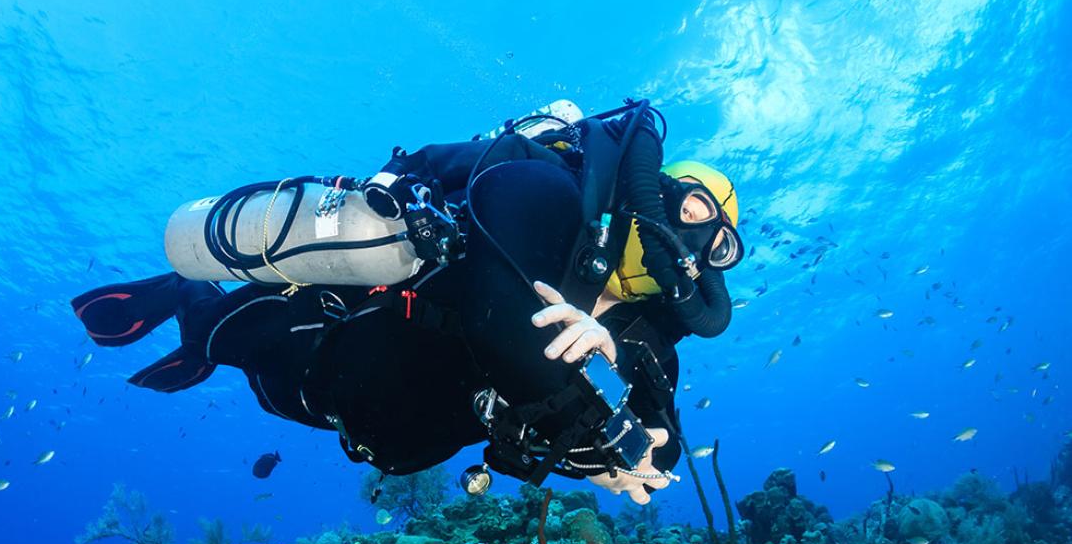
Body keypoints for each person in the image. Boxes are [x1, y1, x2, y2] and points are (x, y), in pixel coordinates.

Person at [72, 99, 742, 505]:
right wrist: (589, 394)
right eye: (690, 207)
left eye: (717, 247)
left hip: (367, 425)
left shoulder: (645, 339)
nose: (692, 241)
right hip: (330, 336)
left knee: (272, 390)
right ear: (650, 188)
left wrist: (622, 427)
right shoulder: (550, 195)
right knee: (223, 338)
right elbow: (501, 325)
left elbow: (658, 449)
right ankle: (186, 296)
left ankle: (201, 325)